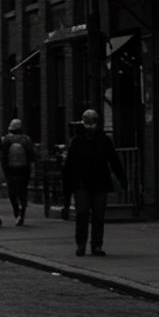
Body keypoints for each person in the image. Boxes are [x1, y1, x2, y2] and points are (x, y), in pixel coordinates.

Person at [62, 108, 125, 256]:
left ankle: (96, 245)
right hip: (82, 183)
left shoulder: (102, 139)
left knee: (98, 215)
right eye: (88, 122)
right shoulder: (77, 141)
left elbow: (113, 159)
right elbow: (69, 165)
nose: (91, 125)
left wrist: (121, 177)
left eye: (93, 122)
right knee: (83, 213)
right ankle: (82, 244)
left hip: (98, 182)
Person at [1, 118, 38, 226]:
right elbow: (31, 155)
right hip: (24, 169)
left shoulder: (6, 140)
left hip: (10, 169)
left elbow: (3, 156)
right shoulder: (26, 140)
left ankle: (16, 211)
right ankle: (23, 209)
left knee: (12, 192)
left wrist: (4, 170)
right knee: (23, 191)